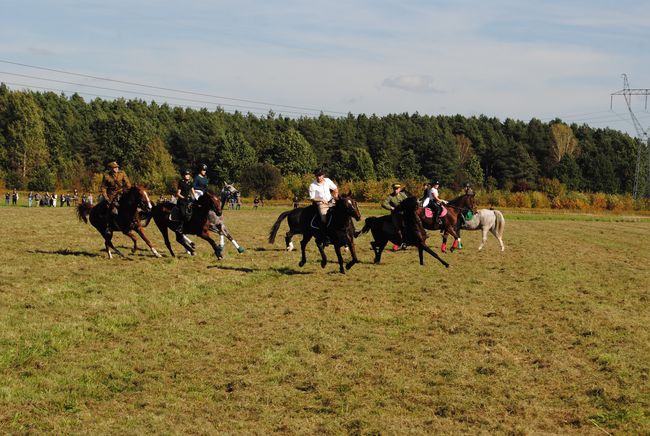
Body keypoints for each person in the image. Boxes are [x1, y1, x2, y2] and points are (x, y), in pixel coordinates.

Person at [100, 161, 132, 236]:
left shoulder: (122, 173)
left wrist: (129, 190)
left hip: (122, 193)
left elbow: (128, 183)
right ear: (111, 168)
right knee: (111, 209)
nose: (116, 168)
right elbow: (103, 187)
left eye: (117, 167)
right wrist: (106, 198)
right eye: (115, 167)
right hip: (111, 195)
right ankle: (109, 226)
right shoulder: (107, 176)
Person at [308, 168, 338, 243]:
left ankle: (352, 230)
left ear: (323, 175)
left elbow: (335, 189)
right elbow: (312, 198)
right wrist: (321, 200)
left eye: (320, 175)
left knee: (342, 211)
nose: (318, 177)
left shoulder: (327, 180)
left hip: (331, 201)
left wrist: (335, 196)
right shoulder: (312, 185)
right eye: (317, 176)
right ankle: (325, 236)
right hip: (321, 204)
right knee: (324, 219)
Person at [381, 183, 409, 248]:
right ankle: (401, 242)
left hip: (404, 214)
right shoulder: (390, 196)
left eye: (397, 189)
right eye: (394, 189)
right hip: (396, 215)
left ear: (399, 189)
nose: (395, 190)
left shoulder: (403, 195)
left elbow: (408, 201)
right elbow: (383, 204)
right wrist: (391, 207)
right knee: (398, 228)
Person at [175, 169, 195, 235]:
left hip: (188, 200)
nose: (188, 176)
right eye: (186, 175)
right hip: (182, 201)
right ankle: (180, 227)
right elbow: (178, 193)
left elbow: (193, 191)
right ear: (184, 176)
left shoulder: (190, 182)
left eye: (188, 175)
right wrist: (184, 198)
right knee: (183, 214)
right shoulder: (181, 182)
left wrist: (195, 198)